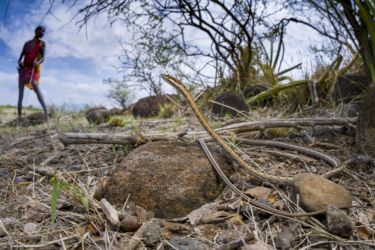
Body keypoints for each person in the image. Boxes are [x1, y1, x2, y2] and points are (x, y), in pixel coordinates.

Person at [17, 25, 48, 120]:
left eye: (44, 31)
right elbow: (20, 58)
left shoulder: (42, 43)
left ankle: (46, 113)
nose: (43, 33)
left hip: (33, 69)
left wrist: (37, 62)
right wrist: (20, 63)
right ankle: (19, 115)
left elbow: (43, 58)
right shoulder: (26, 44)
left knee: (36, 88)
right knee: (21, 94)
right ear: (36, 31)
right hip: (23, 70)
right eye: (42, 31)